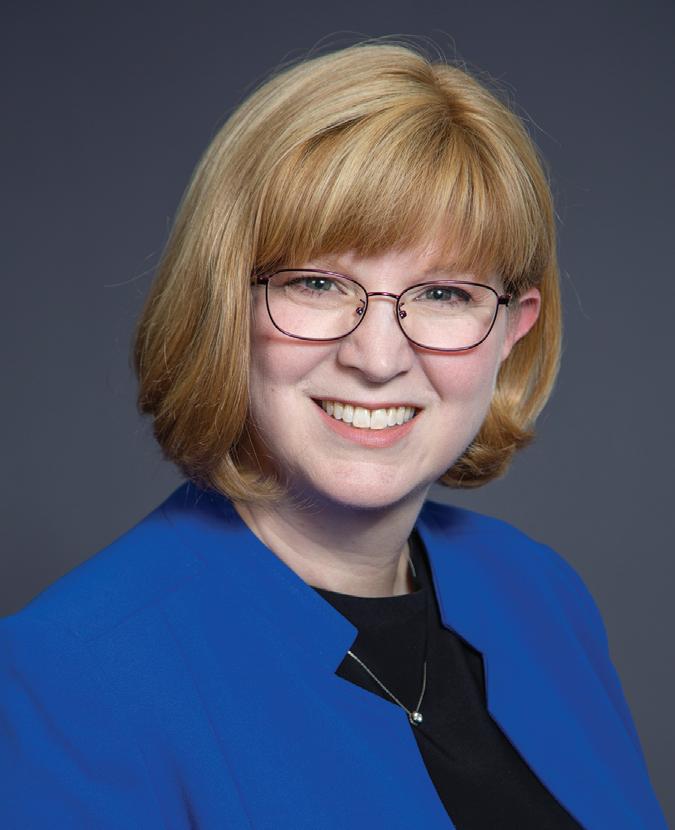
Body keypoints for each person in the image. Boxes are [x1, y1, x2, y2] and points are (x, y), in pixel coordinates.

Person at [0, 40, 667, 829]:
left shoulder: (538, 592)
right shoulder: (73, 676)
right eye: (317, 283)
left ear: (509, 331)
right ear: (223, 303)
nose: (377, 358)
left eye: (443, 294)